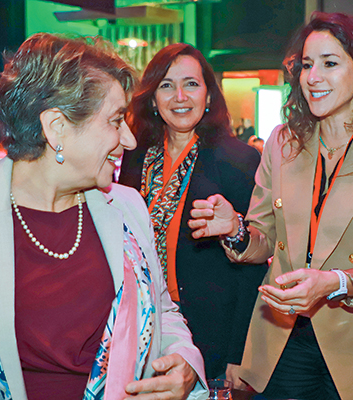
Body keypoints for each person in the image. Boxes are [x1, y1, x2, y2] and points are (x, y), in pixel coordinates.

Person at [0, 33, 206, 400]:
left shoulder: (127, 207)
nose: (128, 139)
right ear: (56, 128)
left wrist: (184, 360)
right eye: (114, 121)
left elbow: (161, 309)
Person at [189, 12, 353, 400]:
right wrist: (233, 227)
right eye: (306, 65)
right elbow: (265, 237)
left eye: (329, 64)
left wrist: (336, 283)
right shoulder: (284, 143)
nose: (312, 77)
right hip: (286, 336)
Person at [119, 43, 266, 380]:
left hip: (212, 333)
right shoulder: (136, 155)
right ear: (153, 98)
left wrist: (238, 355)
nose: (179, 96)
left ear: (209, 96)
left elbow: (250, 270)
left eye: (191, 84)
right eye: (166, 85)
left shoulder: (239, 160)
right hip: (143, 324)